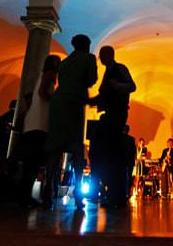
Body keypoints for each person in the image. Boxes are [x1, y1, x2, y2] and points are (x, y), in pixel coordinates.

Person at [44, 35, 98, 210]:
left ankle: (47, 190)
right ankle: (77, 195)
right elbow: (91, 80)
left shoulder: (64, 63)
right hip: (74, 103)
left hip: (58, 103)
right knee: (76, 148)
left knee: (54, 148)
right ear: (87, 45)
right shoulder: (88, 58)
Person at [88, 45, 136, 207]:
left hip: (115, 116)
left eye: (103, 54)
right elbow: (104, 95)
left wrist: (117, 86)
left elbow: (131, 86)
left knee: (111, 153)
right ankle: (110, 191)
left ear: (110, 54)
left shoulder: (119, 68)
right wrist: (90, 101)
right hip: (110, 115)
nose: (100, 57)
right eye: (100, 55)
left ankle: (115, 193)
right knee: (104, 151)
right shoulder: (108, 71)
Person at [20, 55, 61, 207]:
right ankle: (25, 197)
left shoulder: (42, 75)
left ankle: (24, 196)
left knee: (30, 163)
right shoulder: (50, 75)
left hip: (33, 123)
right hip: (40, 123)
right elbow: (43, 93)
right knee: (34, 162)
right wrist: (55, 100)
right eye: (58, 62)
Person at [123, 125, 137, 199]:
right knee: (128, 177)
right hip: (129, 161)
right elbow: (134, 151)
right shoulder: (131, 139)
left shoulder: (120, 138)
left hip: (123, 161)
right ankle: (127, 193)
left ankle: (124, 193)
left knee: (123, 177)